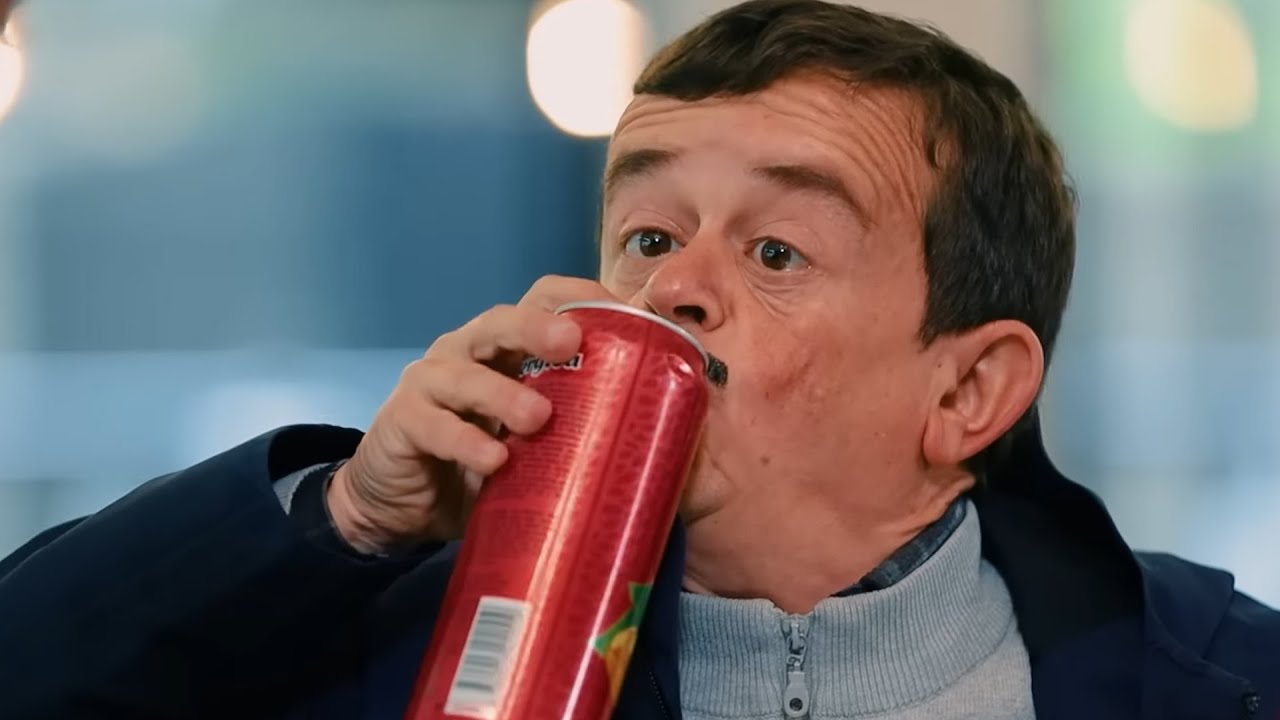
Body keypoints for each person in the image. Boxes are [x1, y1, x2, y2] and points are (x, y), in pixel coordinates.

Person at [2, 1, 1277, 718]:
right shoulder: (409, 652)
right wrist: (345, 517)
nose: (670, 290)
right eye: (649, 236)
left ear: (966, 390)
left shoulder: (1217, 679)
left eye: (774, 252)